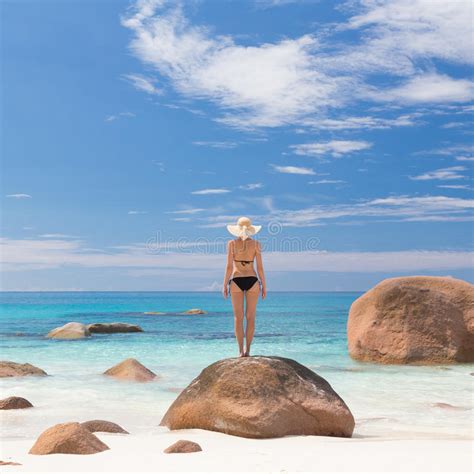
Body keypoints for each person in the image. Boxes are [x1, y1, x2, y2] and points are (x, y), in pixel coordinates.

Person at [222, 216, 266, 357]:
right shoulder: (256, 244)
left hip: (236, 279)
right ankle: (248, 351)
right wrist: (264, 286)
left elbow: (229, 267)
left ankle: (240, 351)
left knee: (238, 317)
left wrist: (224, 285)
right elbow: (260, 268)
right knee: (250, 317)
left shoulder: (231, 244)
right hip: (253, 280)